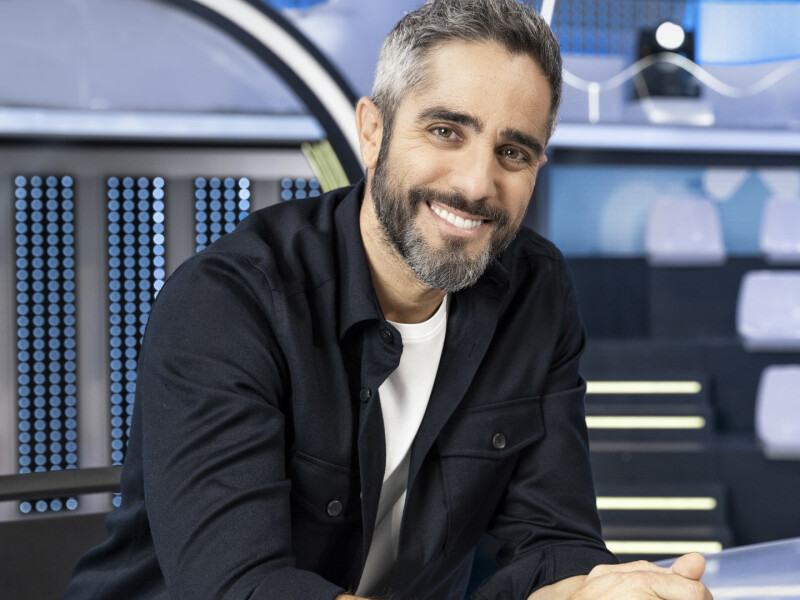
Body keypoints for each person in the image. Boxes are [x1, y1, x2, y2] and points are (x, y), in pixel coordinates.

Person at [64, 1, 713, 599]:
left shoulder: (534, 291)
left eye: (513, 151)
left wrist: (592, 592)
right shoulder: (229, 301)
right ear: (373, 132)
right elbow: (242, 589)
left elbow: (551, 541)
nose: (476, 183)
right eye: (446, 130)